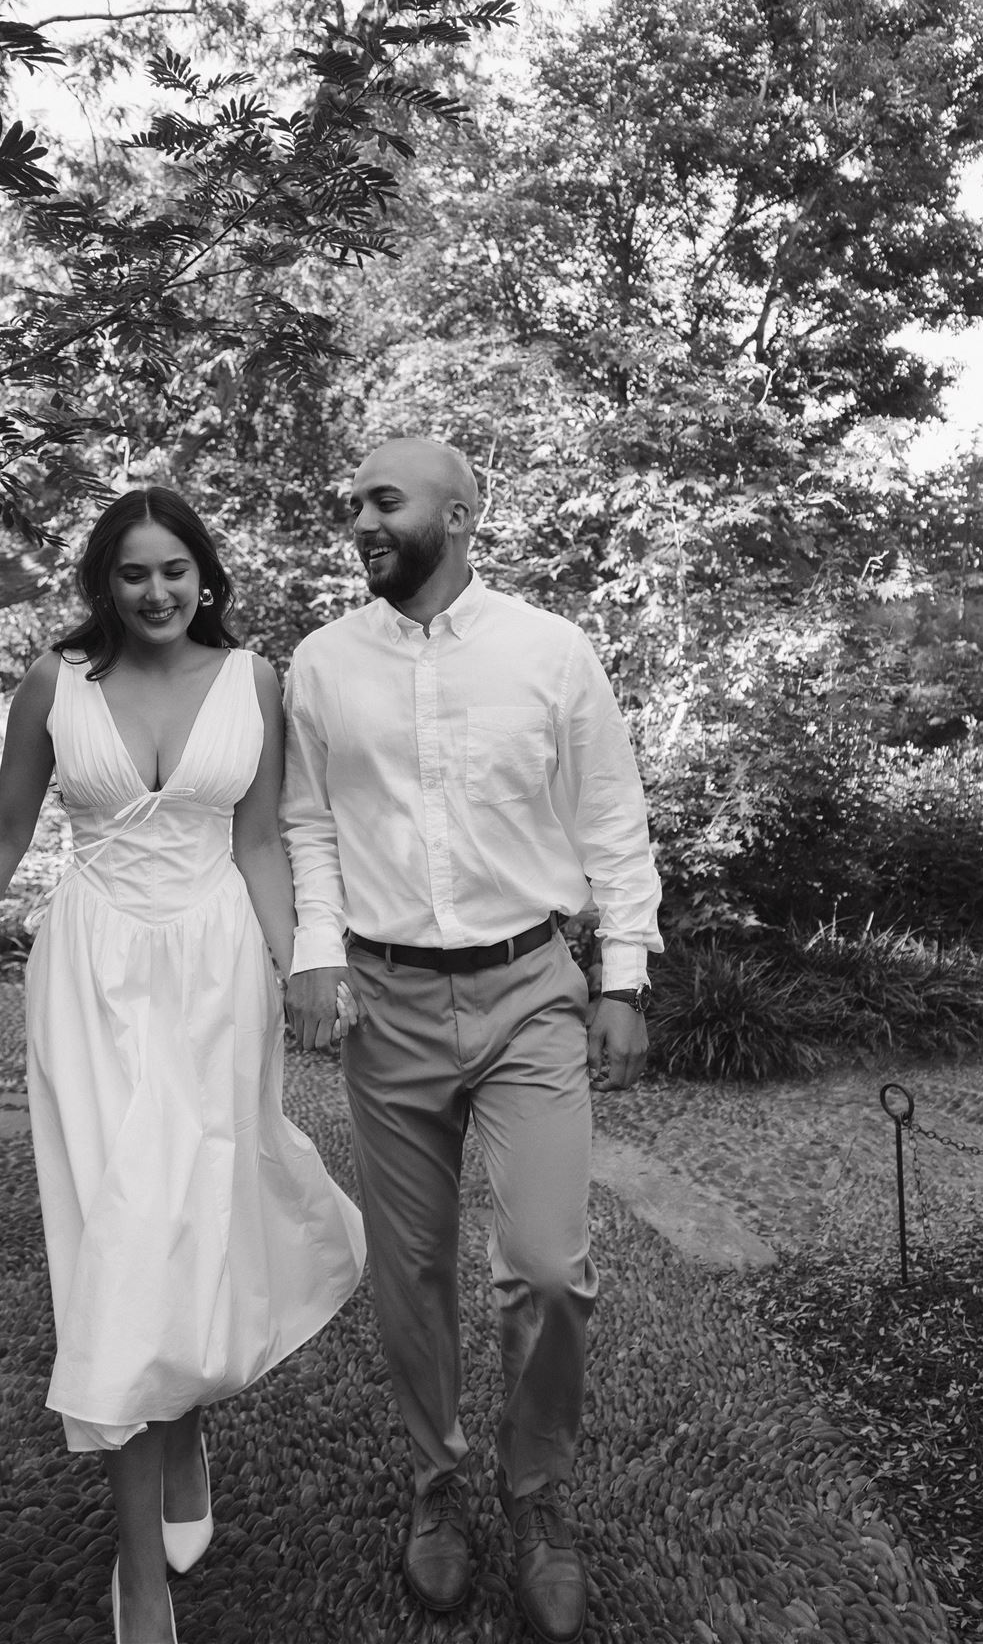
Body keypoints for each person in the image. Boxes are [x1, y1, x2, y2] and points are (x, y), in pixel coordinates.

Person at [0, 487, 365, 1644]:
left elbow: (260, 837)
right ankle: (139, 1570)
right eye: (133, 574)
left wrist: (305, 966)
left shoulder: (254, 680)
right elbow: (7, 827)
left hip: (217, 976)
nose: (157, 592)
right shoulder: (52, 686)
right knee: (114, 1236)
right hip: (93, 972)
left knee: (199, 1215)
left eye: (176, 570)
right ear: (101, 586)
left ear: (203, 575)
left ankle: (180, 1427)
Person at [281, 437, 662, 1644]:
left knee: (548, 1262)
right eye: (355, 505)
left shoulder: (550, 649)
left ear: (460, 510)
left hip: (527, 988)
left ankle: (538, 1496)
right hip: (386, 1000)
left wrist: (624, 970)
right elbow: (307, 823)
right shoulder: (321, 661)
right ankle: (436, 1481)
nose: (361, 521)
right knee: (414, 1273)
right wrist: (316, 951)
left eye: (383, 499)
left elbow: (611, 810)